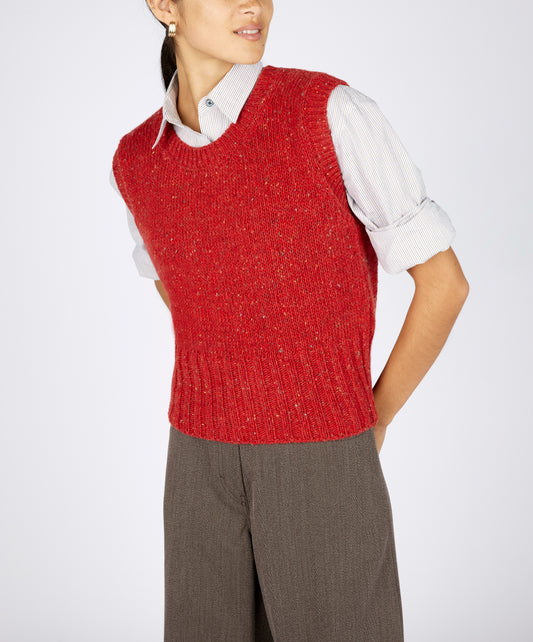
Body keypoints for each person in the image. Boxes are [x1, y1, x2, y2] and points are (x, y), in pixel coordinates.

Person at [110, 1, 469, 640]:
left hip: (321, 452)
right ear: (165, 5)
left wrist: (370, 418)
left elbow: (444, 285)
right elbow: (184, 294)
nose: (253, 4)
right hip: (195, 459)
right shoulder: (137, 159)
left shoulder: (329, 112)